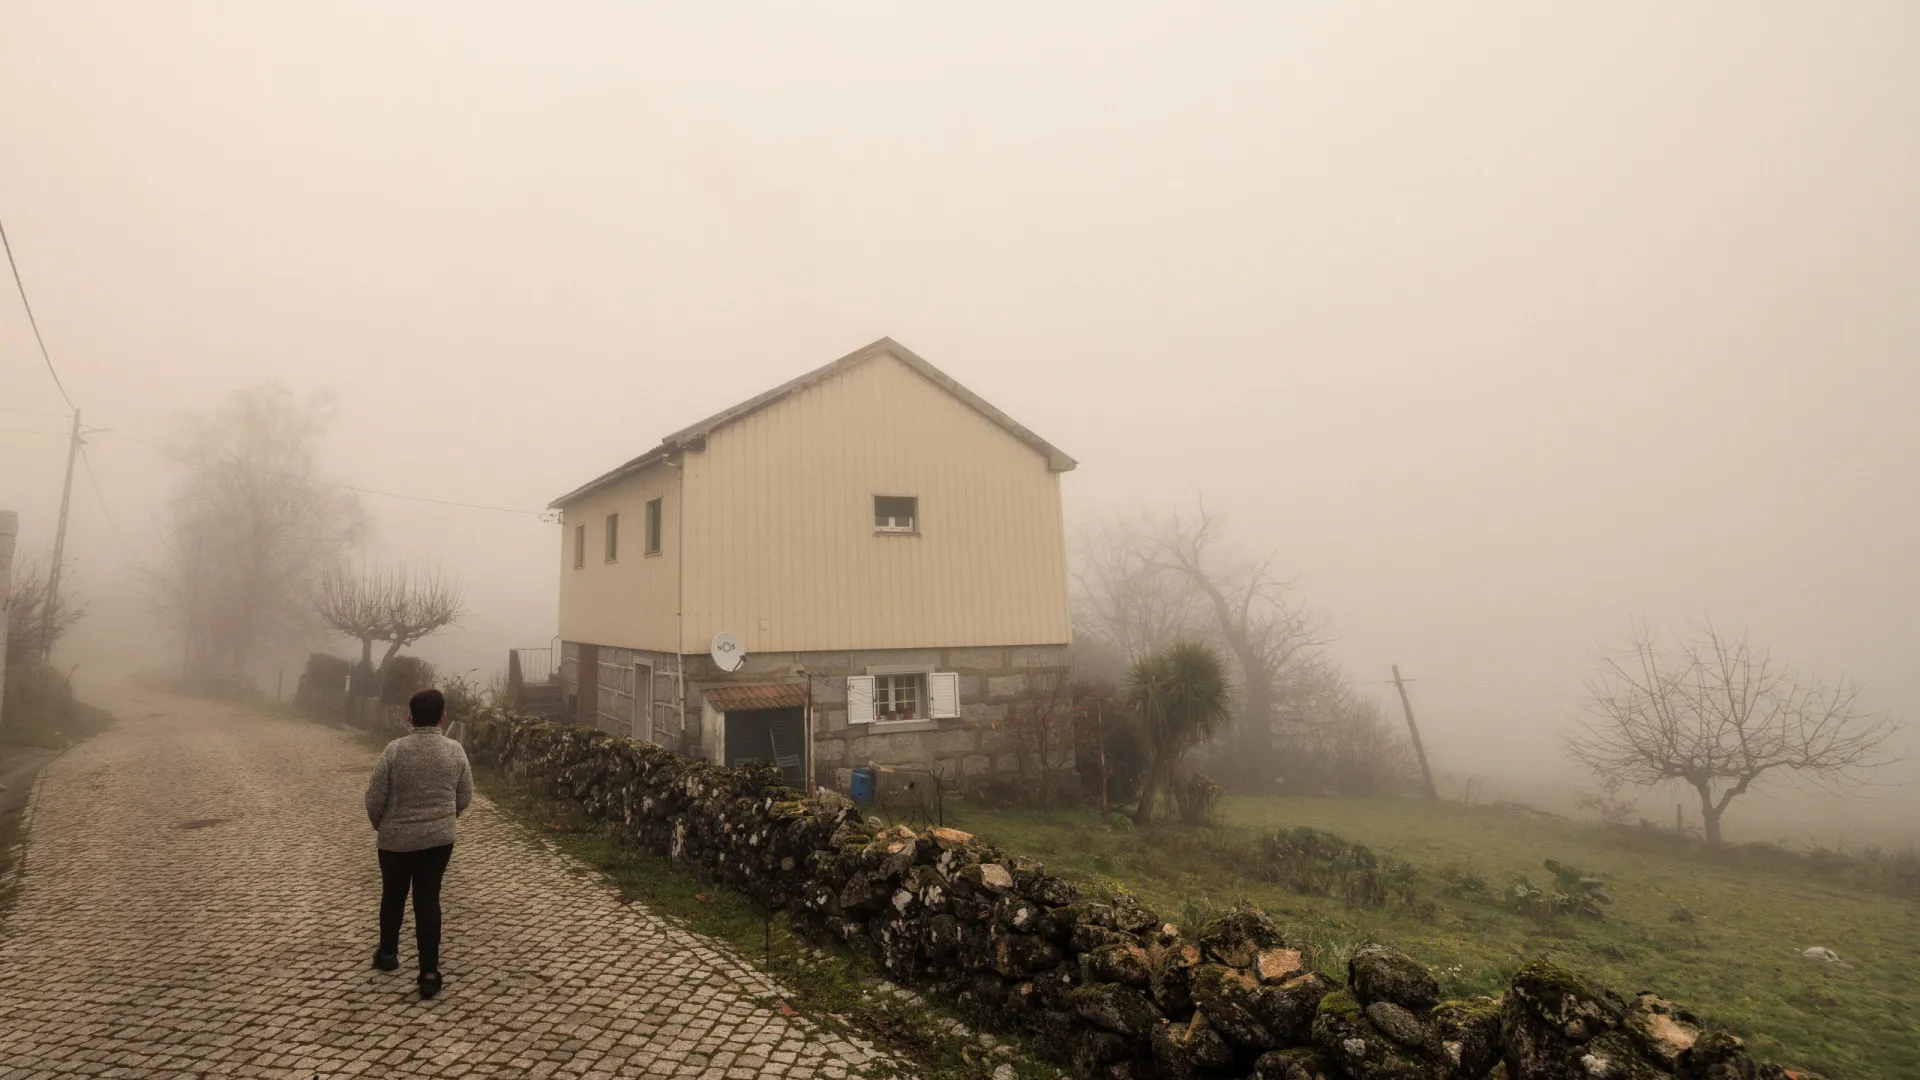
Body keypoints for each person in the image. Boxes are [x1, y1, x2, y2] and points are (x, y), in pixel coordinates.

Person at [363, 688, 473, 999]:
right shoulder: (455, 752)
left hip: (394, 841)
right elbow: (464, 795)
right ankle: (428, 973)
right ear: (442, 717)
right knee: (428, 900)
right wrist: (445, 821)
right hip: (439, 842)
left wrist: (380, 826)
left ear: (410, 718)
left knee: (393, 896)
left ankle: (387, 954)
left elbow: (374, 799)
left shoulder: (394, 751)